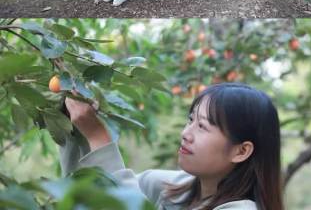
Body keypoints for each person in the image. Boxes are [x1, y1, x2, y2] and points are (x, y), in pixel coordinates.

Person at [60, 83, 284, 210]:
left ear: (241, 151)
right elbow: (88, 195)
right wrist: (75, 131)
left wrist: (100, 137)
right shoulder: (165, 188)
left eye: (203, 127)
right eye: (190, 120)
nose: (186, 134)